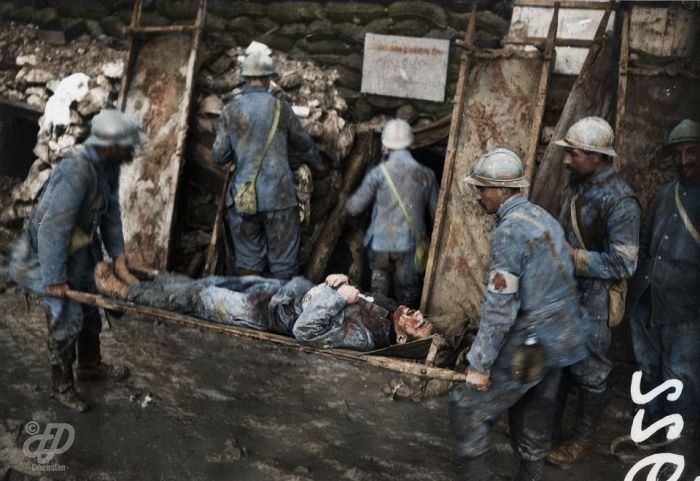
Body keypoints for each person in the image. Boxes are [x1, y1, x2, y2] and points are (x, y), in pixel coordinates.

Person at [448, 148, 587, 481]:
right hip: (561, 339)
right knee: (534, 415)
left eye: (482, 187)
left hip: (531, 343)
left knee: (467, 409)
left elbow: (500, 308)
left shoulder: (508, 233)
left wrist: (480, 364)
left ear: (502, 190)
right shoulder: (543, 218)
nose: (478, 195)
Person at [9, 109, 141, 412]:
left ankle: (90, 366)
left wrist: (118, 256)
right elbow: (52, 229)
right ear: (109, 146)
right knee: (66, 317)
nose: (131, 152)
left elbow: (110, 213)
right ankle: (62, 385)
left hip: (80, 246)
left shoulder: (109, 167)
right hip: (48, 252)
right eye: (126, 147)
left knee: (92, 306)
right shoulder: (77, 172)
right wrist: (54, 279)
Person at [547, 116, 641, 465]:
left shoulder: (621, 200)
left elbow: (625, 264)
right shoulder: (576, 185)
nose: (566, 160)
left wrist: (576, 258)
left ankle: (582, 441)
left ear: (597, 156)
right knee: (560, 362)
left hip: (596, 302)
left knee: (591, 371)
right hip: (566, 294)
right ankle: (550, 431)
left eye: (574, 153)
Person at [94, 265, 432, 352]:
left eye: (418, 325)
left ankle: (126, 292)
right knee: (210, 280)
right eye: (422, 317)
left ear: (402, 339)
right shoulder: (385, 311)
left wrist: (337, 297)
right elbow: (342, 300)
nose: (418, 315)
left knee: (199, 298)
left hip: (264, 314)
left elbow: (305, 331)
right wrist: (339, 282)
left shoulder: (365, 337)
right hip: (283, 292)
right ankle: (143, 281)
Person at [212, 51, 324, 279]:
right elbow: (304, 144)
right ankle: (282, 301)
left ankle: (250, 299)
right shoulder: (281, 108)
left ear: (244, 78)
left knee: (248, 263)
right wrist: (318, 164)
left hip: (244, 199)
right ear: (268, 79)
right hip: (279, 197)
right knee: (284, 264)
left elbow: (219, 156)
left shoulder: (230, 110)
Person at [627, 119, 700, 456]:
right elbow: (645, 242)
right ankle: (651, 430)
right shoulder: (664, 194)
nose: (684, 160)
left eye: (692, 151)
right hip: (647, 300)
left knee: (681, 375)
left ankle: (677, 446)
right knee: (647, 368)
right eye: (678, 153)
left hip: (687, 308)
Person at [345, 118, 438, 308]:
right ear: (410, 143)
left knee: (377, 296)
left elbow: (354, 207)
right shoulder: (427, 174)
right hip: (410, 246)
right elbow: (437, 214)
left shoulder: (378, 173)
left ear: (385, 144)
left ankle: (378, 317)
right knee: (407, 299)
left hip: (380, 244)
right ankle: (404, 323)